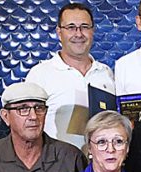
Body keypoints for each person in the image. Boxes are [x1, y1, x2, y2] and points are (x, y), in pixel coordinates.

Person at [26, 2, 115, 149]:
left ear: (93, 31)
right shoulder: (39, 74)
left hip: (102, 164)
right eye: (71, 27)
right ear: (59, 33)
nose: (78, 34)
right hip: (57, 166)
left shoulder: (106, 73)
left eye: (84, 27)